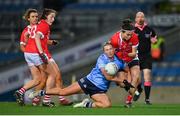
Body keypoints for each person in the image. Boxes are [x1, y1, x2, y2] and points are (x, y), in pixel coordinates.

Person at [29, 43, 134, 108]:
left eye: (110, 49)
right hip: (89, 82)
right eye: (106, 50)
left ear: (114, 50)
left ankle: (86, 104)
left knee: (107, 105)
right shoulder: (102, 59)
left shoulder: (119, 61)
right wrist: (122, 81)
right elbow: (107, 77)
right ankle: (39, 93)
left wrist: (128, 80)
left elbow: (126, 69)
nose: (109, 51)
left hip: (100, 89)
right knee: (63, 92)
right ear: (104, 52)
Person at [110, 19, 141, 108]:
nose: (130, 36)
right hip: (120, 60)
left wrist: (124, 53)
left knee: (136, 77)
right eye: (128, 34)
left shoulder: (134, 36)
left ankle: (128, 101)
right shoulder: (115, 39)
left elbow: (134, 53)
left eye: (131, 34)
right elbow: (112, 54)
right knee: (123, 84)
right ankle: (135, 91)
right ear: (122, 32)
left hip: (132, 58)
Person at [134, 11, 158, 105]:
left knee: (147, 76)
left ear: (144, 18)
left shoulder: (149, 29)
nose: (140, 18)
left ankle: (147, 99)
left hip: (147, 56)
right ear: (135, 19)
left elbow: (154, 39)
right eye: (138, 17)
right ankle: (139, 90)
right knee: (138, 79)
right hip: (136, 57)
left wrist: (154, 41)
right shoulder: (132, 30)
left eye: (142, 17)